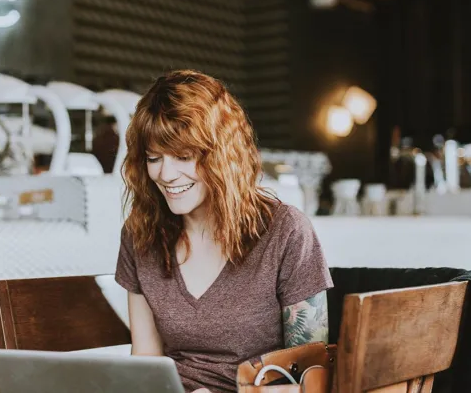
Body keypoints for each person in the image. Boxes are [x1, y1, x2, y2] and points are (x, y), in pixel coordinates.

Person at [114, 70, 333, 393]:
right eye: (153, 158)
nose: (166, 174)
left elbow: (313, 380)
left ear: (222, 155)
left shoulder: (285, 231)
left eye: (184, 156)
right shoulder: (140, 234)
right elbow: (146, 363)